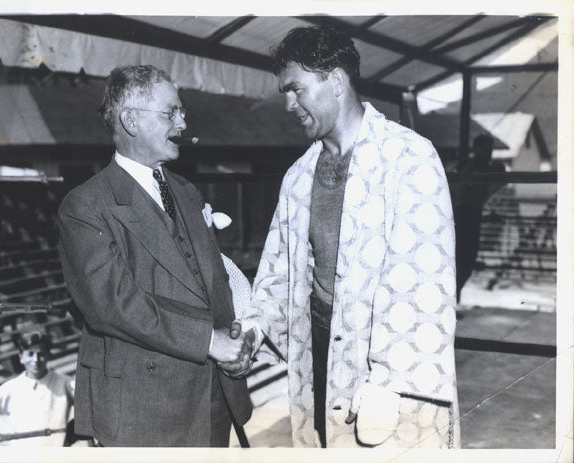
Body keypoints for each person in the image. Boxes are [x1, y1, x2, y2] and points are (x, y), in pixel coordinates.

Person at [238, 26, 460, 448]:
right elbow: (278, 273)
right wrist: (254, 328)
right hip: (318, 357)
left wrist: (388, 382)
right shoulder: (298, 176)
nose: (289, 105)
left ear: (336, 81)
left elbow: (424, 285)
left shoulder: (409, 158)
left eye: (295, 89)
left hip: (386, 369)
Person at [57, 65, 252, 447]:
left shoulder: (186, 191)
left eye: (181, 111)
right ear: (130, 120)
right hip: (144, 411)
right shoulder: (84, 206)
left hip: (213, 396)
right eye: (171, 112)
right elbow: (111, 306)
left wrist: (236, 343)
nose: (183, 122)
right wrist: (210, 342)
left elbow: (213, 284)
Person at [0, 328, 74, 447]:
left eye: (41, 354)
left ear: (48, 355)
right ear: (21, 357)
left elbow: (89, 403)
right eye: (30, 354)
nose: (35, 360)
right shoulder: (12, 388)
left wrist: (72, 433)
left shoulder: (64, 383)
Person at [452, 134, 506, 302]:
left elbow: (498, 176)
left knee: (467, 262)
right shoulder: (471, 168)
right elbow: (462, 199)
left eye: (490, 150)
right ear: (476, 150)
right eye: (484, 149)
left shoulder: (485, 169)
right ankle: (452, 302)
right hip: (462, 219)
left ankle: (454, 301)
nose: (488, 153)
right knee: (462, 262)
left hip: (471, 218)